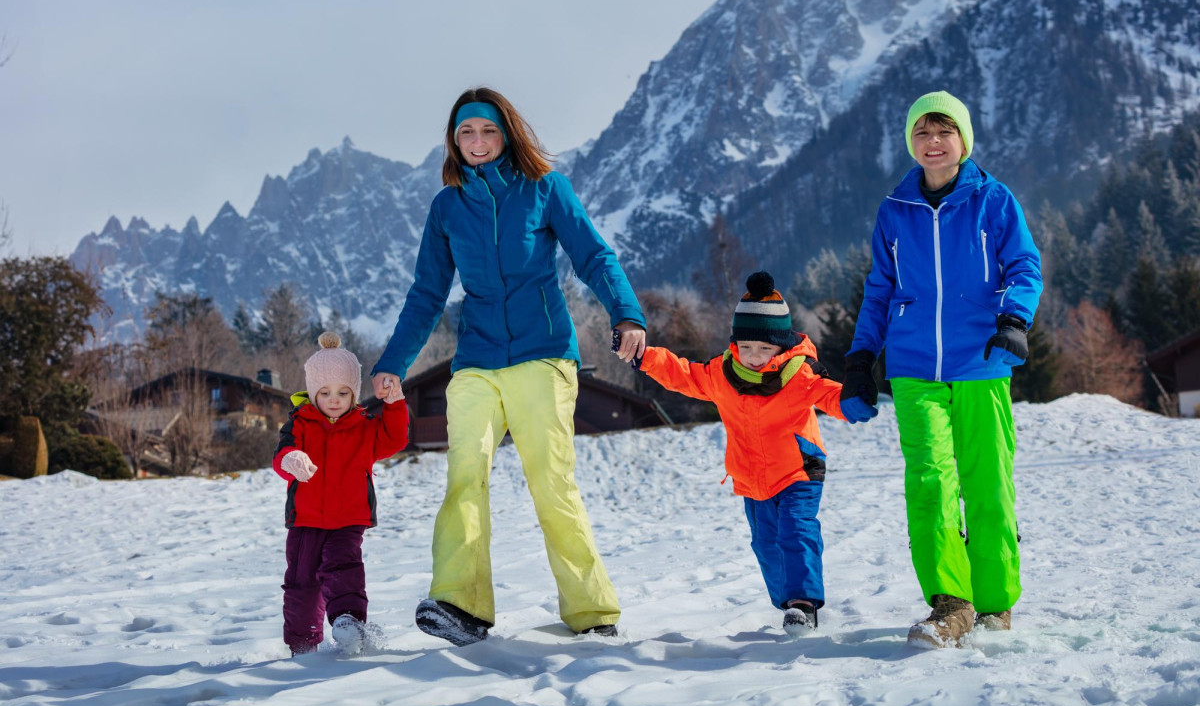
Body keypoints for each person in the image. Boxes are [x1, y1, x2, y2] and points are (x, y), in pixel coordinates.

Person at [372, 87, 646, 646]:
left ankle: (591, 609)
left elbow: (594, 255)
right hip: (476, 360)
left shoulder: (545, 188)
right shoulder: (447, 206)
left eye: (488, 130)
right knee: (464, 477)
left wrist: (626, 313)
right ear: (454, 141)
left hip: (543, 355)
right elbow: (427, 294)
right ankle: (460, 605)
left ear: (507, 134)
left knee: (551, 482)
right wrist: (393, 363)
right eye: (466, 132)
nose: (477, 141)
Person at [843, 91, 1042, 648]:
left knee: (987, 482)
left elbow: (1024, 265)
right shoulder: (894, 210)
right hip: (913, 369)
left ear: (963, 140)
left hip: (982, 362)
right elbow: (879, 289)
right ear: (911, 142)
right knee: (930, 482)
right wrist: (861, 358)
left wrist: (1014, 320)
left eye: (944, 132)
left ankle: (995, 602)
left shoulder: (994, 200)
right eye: (922, 133)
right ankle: (951, 603)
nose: (933, 143)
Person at [634, 271, 877, 634]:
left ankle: (803, 603)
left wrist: (850, 402)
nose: (754, 356)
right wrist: (645, 356)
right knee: (766, 545)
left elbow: (827, 393)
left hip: (799, 469)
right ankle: (788, 603)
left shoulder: (798, 374)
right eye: (746, 347)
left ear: (781, 346)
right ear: (736, 344)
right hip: (753, 478)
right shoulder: (722, 374)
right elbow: (683, 375)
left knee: (796, 530)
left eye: (765, 349)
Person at [273, 331, 410, 656]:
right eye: (325, 392)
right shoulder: (299, 423)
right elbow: (281, 455)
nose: (334, 399)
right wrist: (291, 460)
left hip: (348, 519)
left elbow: (395, 439)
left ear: (354, 394)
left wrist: (394, 404)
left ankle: (348, 622)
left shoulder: (365, 426)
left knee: (344, 568)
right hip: (305, 520)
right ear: (313, 393)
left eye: (343, 392)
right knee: (301, 582)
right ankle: (302, 643)